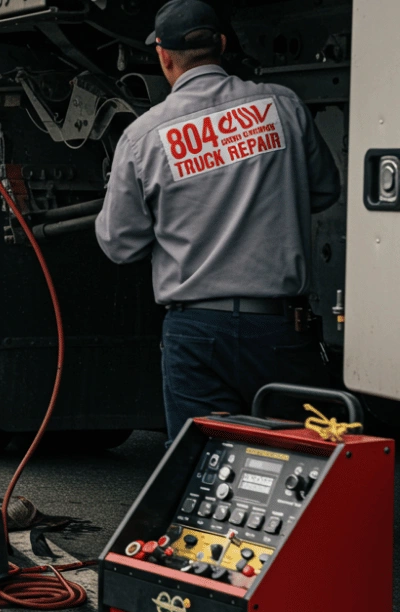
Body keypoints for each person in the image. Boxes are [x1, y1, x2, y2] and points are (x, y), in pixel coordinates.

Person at [95, 0, 340, 444]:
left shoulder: (143, 136)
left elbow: (119, 244)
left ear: (164, 57)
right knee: (293, 463)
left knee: (198, 466)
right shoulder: (282, 105)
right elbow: (325, 190)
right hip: (281, 328)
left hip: (196, 333)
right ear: (222, 45)